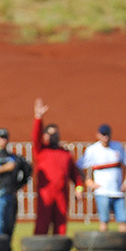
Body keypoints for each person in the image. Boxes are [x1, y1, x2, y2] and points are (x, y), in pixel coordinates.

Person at [32, 98, 84, 235]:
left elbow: (75, 175)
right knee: (42, 224)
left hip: (61, 193)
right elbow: (35, 137)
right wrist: (38, 117)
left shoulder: (66, 153)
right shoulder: (41, 150)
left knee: (61, 226)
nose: (54, 136)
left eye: (56, 133)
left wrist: (79, 188)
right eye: (51, 134)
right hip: (46, 193)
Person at [77, 124, 126, 232]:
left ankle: (125, 247)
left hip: (117, 191)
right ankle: (103, 247)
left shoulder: (117, 147)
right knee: (104, 221)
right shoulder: (92, 150)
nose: (105, 138)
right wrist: (88, 181)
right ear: (98, 135)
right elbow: (79, 166)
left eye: (107, 135)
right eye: (103, 135)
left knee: (123, 220)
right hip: (102, 191)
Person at [0, 128, 30, 237]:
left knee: (9, 226)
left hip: (11, 192)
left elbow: (27, 169)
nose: (3, 141)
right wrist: (5, 168)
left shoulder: (11, 156)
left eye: (5, 138)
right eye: (1, 138)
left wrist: (19, 184)